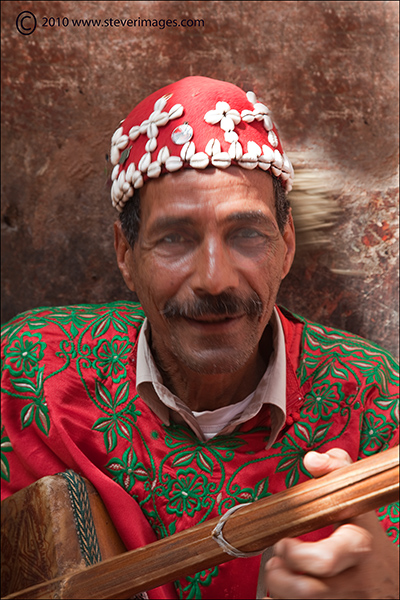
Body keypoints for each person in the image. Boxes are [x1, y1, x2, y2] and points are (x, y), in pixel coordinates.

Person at [1, 76, 398, 600]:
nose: (215, 279)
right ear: (125, 252)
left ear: (286, 243)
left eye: (247, 234)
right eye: (175, 238)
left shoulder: (381, 407)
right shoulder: (29, 375)